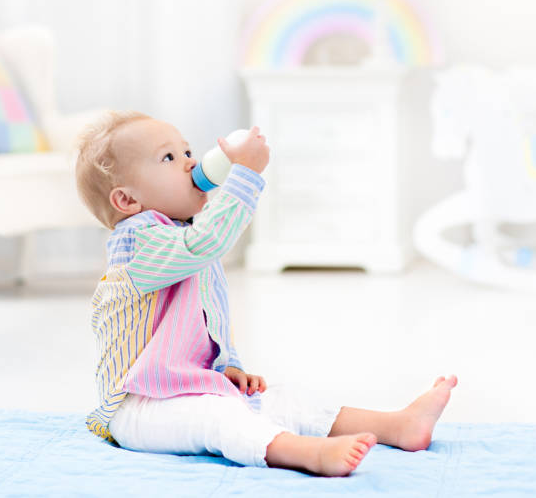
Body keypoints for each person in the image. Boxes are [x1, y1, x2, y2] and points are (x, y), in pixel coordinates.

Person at [75, 110, 458, 477]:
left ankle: (397, 425)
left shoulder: (178, 237)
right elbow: (206, 241)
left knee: (283, 400)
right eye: (169, 157)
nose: (191, 163)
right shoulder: (139, 241)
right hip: (139, 407)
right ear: (127, 200)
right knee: (220, 419)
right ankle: (306, 454)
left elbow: (206, 318)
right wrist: (244, 174)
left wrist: (230, 367)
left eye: (188, 151)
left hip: (188, 391)